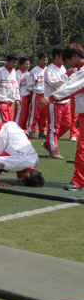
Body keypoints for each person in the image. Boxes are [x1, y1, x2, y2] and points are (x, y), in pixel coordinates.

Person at [38, 44, 84, 191]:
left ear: (75, 56)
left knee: (82, 149)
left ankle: (79, 181)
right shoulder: (77, 70)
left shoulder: (82, 71)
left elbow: (72, 87)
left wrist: (52, 97)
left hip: (60, 102)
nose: (67, 63)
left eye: (68, 60)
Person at [43, 45, 73, 160]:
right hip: (54, 102)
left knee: (67, 124)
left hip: (64, 101)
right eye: (63, 56)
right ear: (56, 56)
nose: (65, 58)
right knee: (53, 127)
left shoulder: (62, 68)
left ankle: (49, 143)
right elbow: (53, 83)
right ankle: (53, 150)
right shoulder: (49, 69)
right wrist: (67, 75)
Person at [0, 53, 20, 127]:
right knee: (4, 121)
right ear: (7, 61)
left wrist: (17, 98)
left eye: (16, 62)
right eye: (13, 62)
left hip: (9, 102)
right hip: (1, 101)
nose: (14, 64)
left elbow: (16, 86)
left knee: (10, 122)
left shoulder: (14, 72)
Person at [26, 52, 49, 138]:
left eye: (46, 60)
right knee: (35, 114)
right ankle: (32, 131)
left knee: (44, 114)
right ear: (39, 60)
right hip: (37, 94)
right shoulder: (34, 71)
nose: (45, 62)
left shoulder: (49, 70)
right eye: (43, 60)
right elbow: (29, 85)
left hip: (46, 95)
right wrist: (34, 91)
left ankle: (42, 131)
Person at [14, 57, 31, 130]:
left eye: (29, 64)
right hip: (21, 96)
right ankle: (17, 128)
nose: (28, 65)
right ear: (21, 64)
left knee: (26, 114)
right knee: (20, 113)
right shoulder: (18, 73)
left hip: (28, 95)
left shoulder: (28, 73)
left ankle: (24, 128)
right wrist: (17, 97)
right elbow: (16, 86)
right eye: (26, 64)